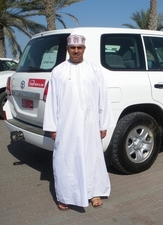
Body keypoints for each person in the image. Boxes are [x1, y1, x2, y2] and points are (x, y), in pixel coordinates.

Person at [43, 34, 115, 211]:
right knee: (66, 159)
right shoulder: (58, 71)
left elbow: (102, 98)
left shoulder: (94, 70)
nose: (76, 51)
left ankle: (94, 192)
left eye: (79, 47)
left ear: (84, 49)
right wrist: (52, 127)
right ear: (67, 49)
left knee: (93, 157)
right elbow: (52, 101)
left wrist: (102, 124)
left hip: (90, 124)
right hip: (66, 126)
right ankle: (66, 196)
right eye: (72, 47)